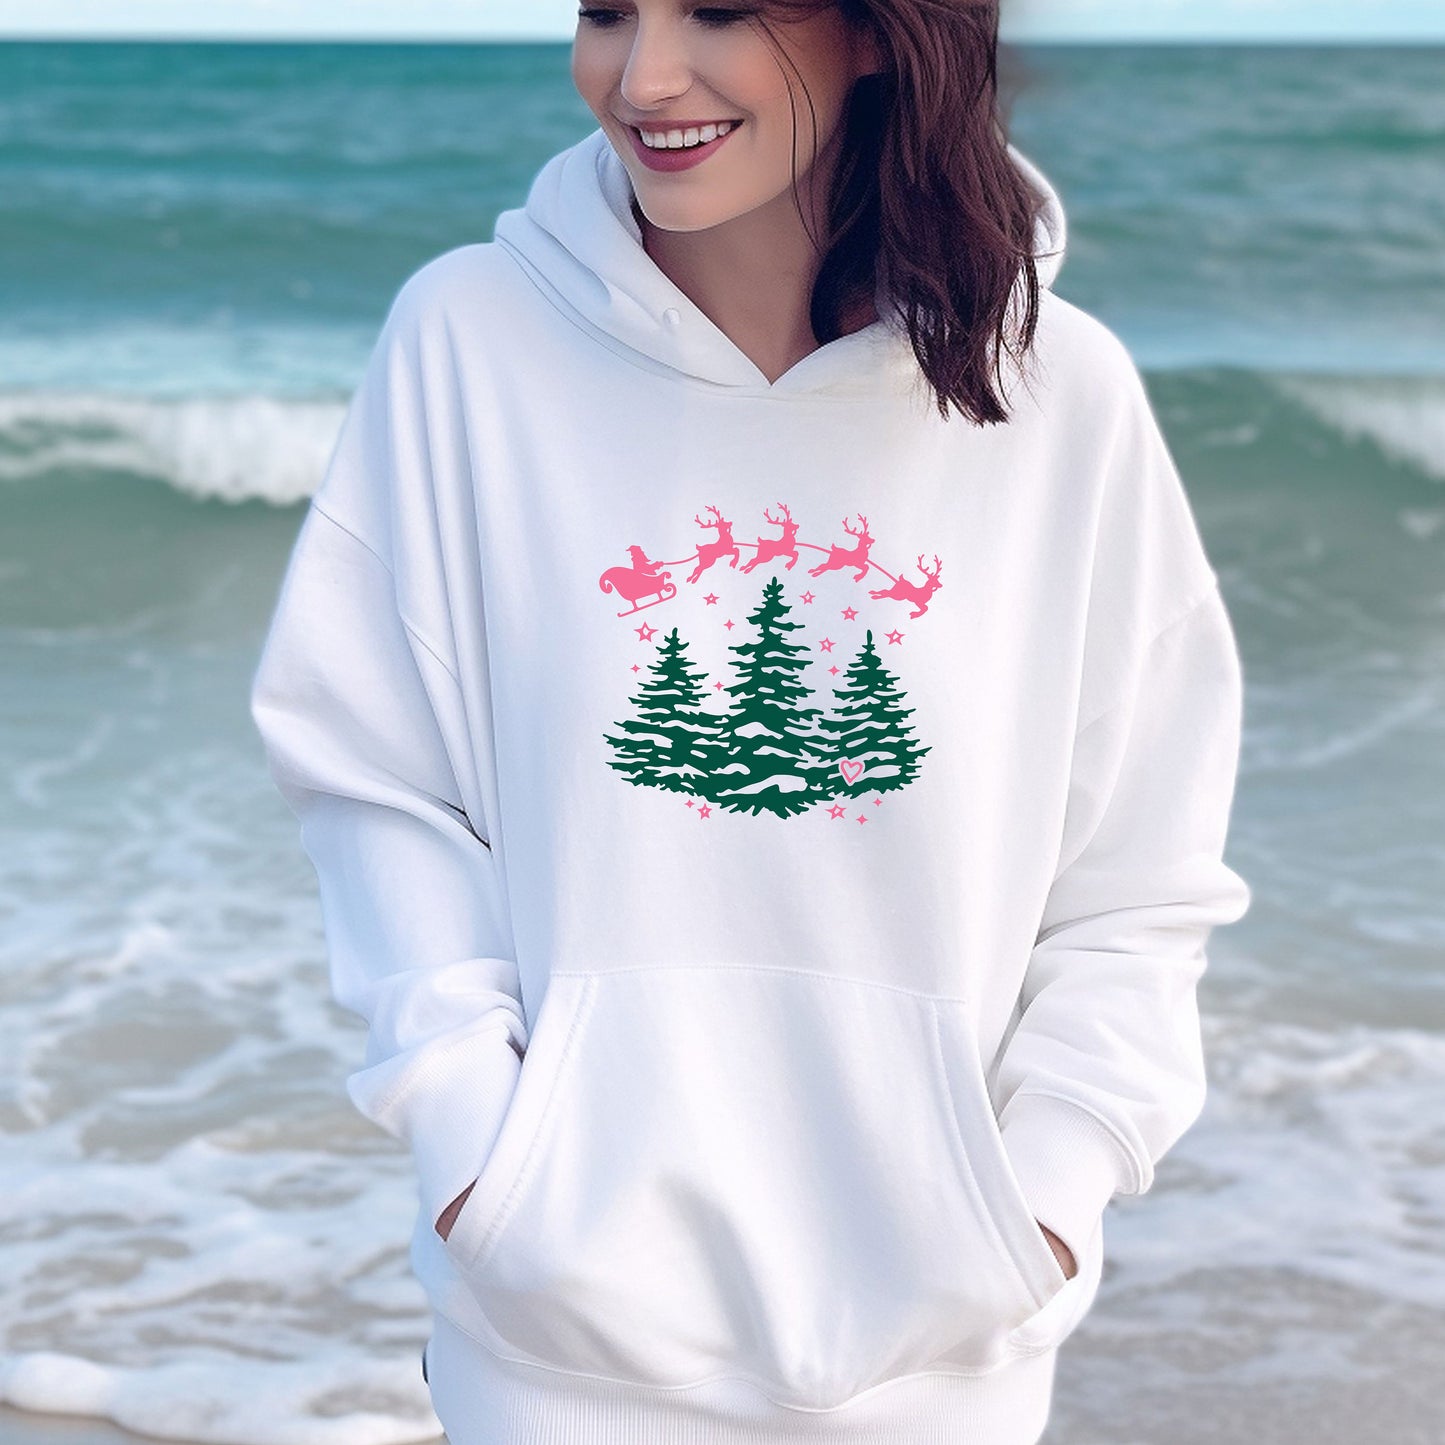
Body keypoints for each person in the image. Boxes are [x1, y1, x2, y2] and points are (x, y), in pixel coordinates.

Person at [249, 1, 1253, 1441]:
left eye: (717, 10)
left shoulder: (1054, 391)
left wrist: (1035, 1201)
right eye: (606, 11)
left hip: (941, 1351)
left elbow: (1139, 872)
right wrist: (478, 1156)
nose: (642, 75)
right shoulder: (468, 341)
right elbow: (374, 776)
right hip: (555, 1345)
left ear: (870, 32)